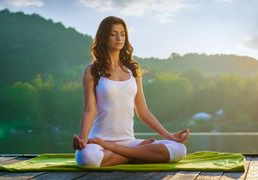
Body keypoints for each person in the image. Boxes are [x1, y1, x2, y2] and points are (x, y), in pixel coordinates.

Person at [73, 16, 190, 167]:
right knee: (86, 158)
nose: (119, 38)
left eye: (122, 34)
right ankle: (138, 153)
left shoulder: (132, 70)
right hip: (99, 141)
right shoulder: (91, 71)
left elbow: (143, 111)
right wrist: (83, 140)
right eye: (113, 34)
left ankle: (121, 151)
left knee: (179, 149)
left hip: (128, 141)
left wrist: (170, 136)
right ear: (104, 37)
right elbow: (89, 109)